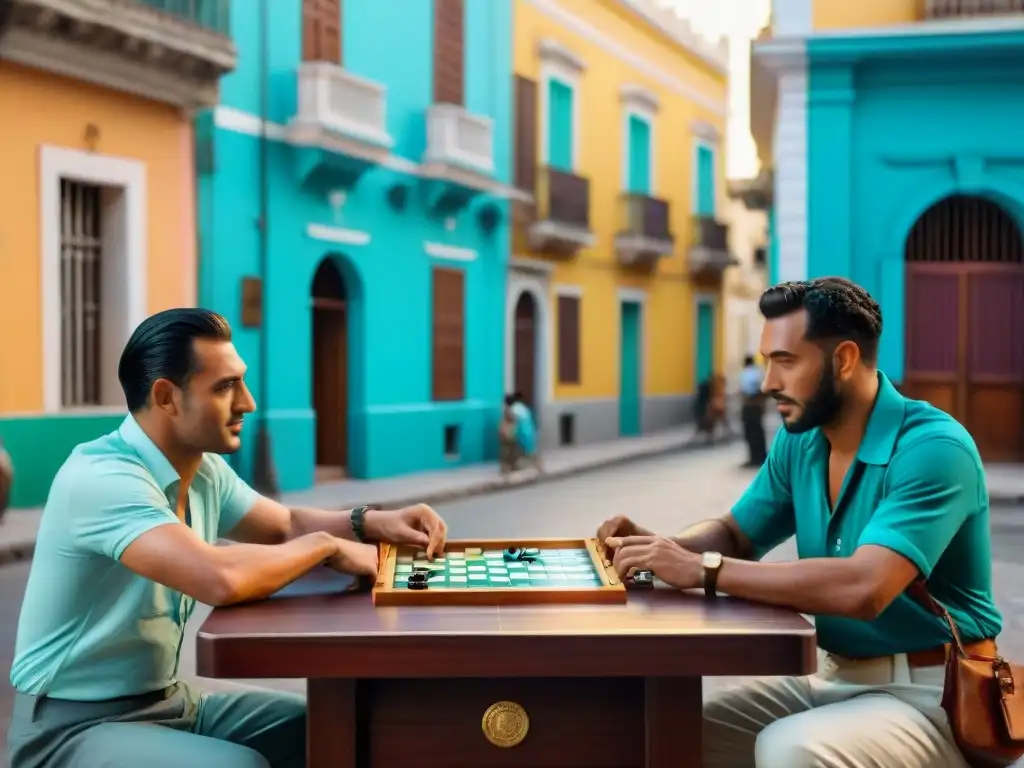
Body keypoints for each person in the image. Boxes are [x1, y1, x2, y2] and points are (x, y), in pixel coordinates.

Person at [6, 308, 450, 768]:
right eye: (224, 387)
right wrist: (329, 546)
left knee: (331, 726)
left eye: (240, 381)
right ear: (166, 397)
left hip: (170, 705)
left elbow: (284, 525)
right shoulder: (102, 478)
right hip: (69, 730)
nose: (248, 403)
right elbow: (219, 577)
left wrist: (374, 522)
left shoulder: (203, 469)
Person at [597, 277, 1005, 767]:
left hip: (935, 696)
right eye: (768, 360)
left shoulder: (933, 449)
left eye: (785, 361)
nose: (768, 381)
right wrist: (660, 549)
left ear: (844, 360)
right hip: (832, 680)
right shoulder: (803, 441)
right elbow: (735, 535)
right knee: (668, 736)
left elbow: (865, 587)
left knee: (792, 749)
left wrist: (704, 569)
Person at [738, 354, 767, 467]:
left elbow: (745, 390)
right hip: (758, 406)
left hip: (749, 406)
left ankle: (754, 458)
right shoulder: (758, 372)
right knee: (758, 432)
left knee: (750, 432)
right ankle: (760, 456)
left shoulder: (746, 373)